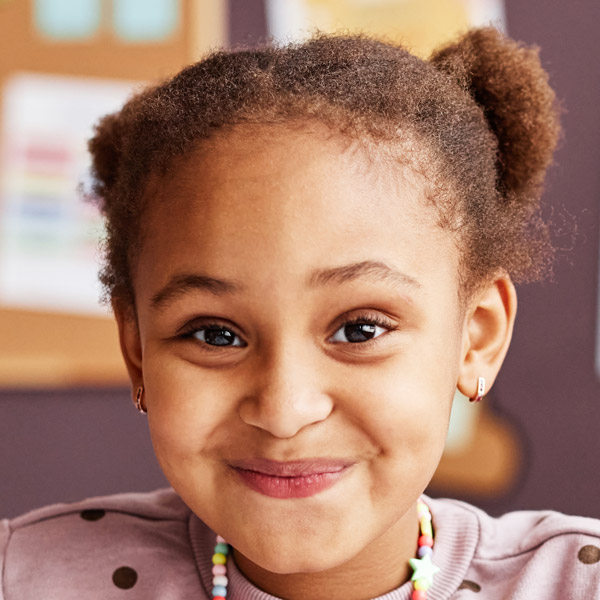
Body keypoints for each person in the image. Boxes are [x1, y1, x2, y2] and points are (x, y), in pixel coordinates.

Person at [1, 26, 598, 600]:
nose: (284, 411)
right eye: (215, 334)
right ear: (137, 351)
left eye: (359, 330)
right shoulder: (22, 578)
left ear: (476, 337)